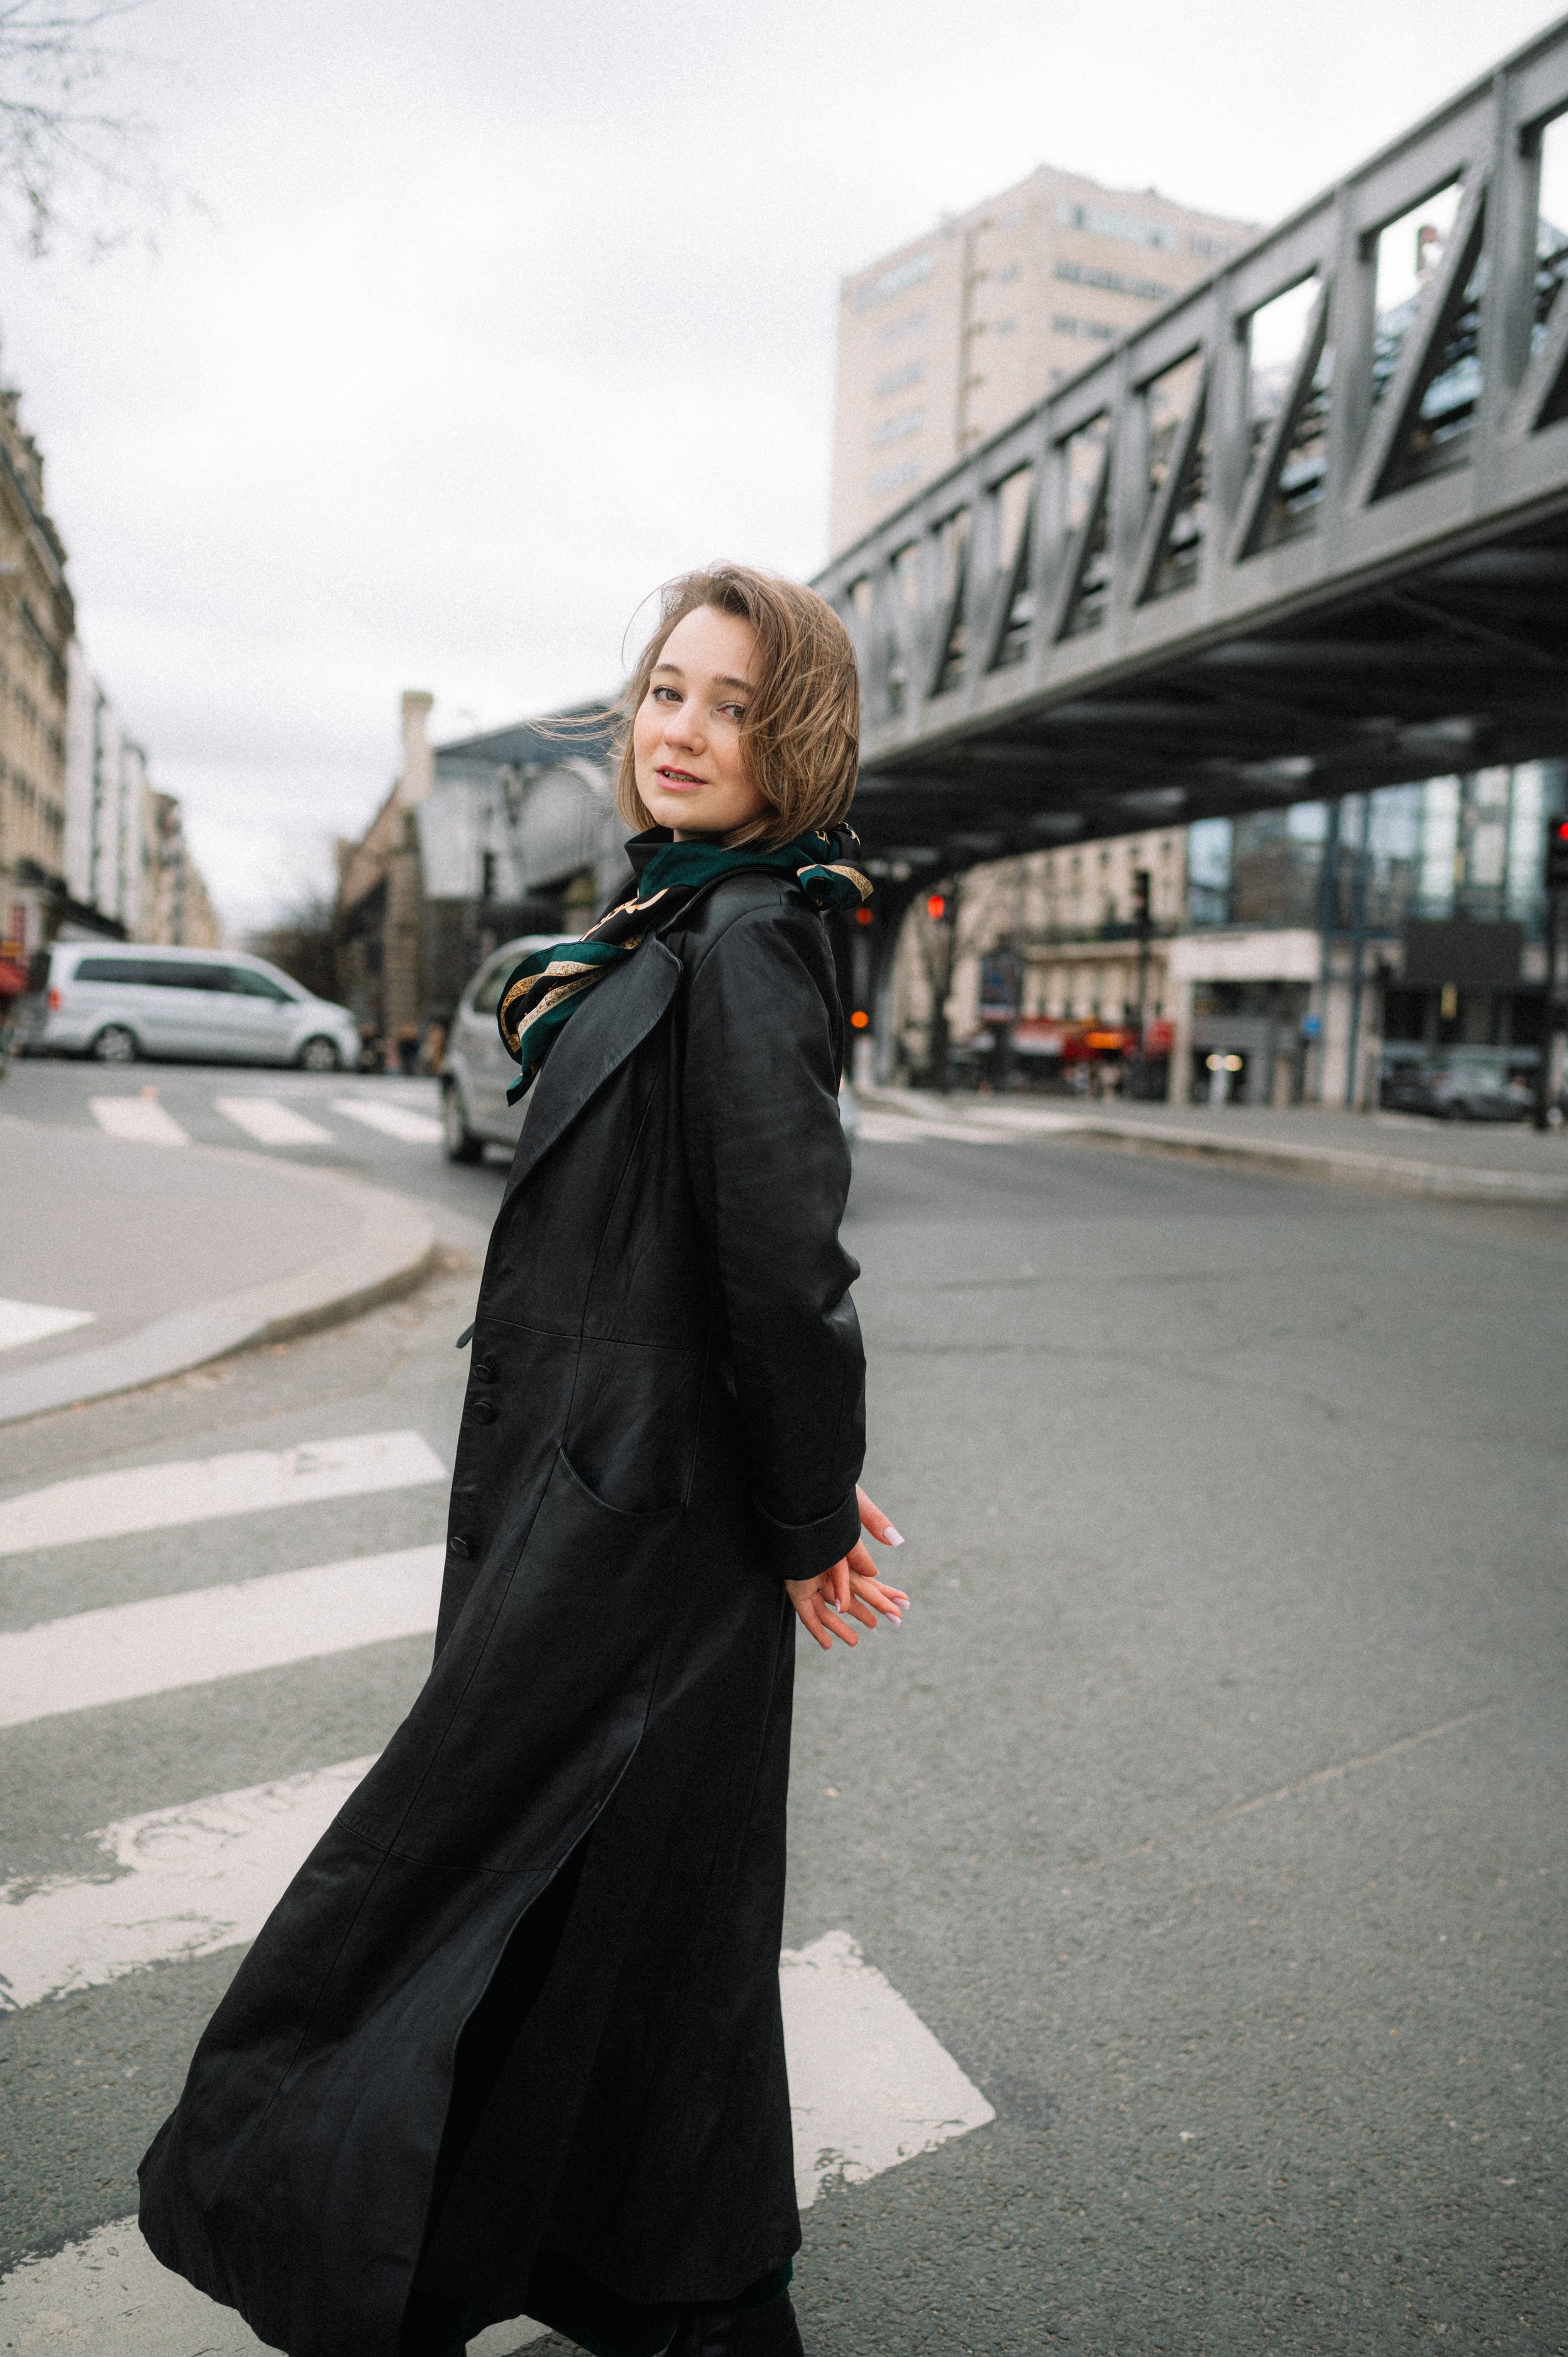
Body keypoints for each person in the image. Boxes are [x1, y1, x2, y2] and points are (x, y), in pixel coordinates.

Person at [139, 563, 907, 2357]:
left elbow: (785, 1271)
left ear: (788, 739)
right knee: (586, 1905)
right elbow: (711, 1269)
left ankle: (678, 2290)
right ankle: (622, 2268)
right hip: (600, 1503)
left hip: (635, 1544)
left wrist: (803, 1510)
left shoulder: (755, 943)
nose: (685, 730)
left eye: (729, 703)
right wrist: (789, 1476)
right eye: (664, 692)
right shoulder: (667, 924)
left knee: (540, 1895)